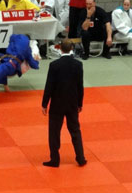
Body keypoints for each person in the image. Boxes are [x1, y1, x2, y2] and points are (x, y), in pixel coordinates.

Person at [42, 38, 86, 168]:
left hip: (57, 103)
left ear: (59, 48)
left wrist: (45, 103)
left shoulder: (54, 65)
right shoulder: (78, 65)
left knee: (54, 132)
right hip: (72, 102)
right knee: (75, 131)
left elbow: (49, 86)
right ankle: (81, 158)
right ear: (72, 48)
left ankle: (54, 159)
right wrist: (80, 103)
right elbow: (80, 86)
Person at [0, 34, 39, 110]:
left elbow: (10, 38)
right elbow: (33, 64)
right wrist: (36, 61)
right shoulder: (28, 49)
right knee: (1, 70)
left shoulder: (15, 38)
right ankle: (6, 87)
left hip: (8, 63)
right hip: (14, 68)